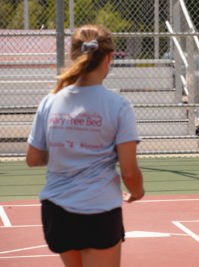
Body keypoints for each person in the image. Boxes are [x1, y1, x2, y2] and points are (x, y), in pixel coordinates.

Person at [26, 24, 145, 267]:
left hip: (56, 211)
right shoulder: (118, 106)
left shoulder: (50, 101)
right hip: (99, 210)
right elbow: (129, 172)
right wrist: (137, 192)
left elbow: (33, 158)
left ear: (73, 55)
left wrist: (69, 148)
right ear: (109, 58)